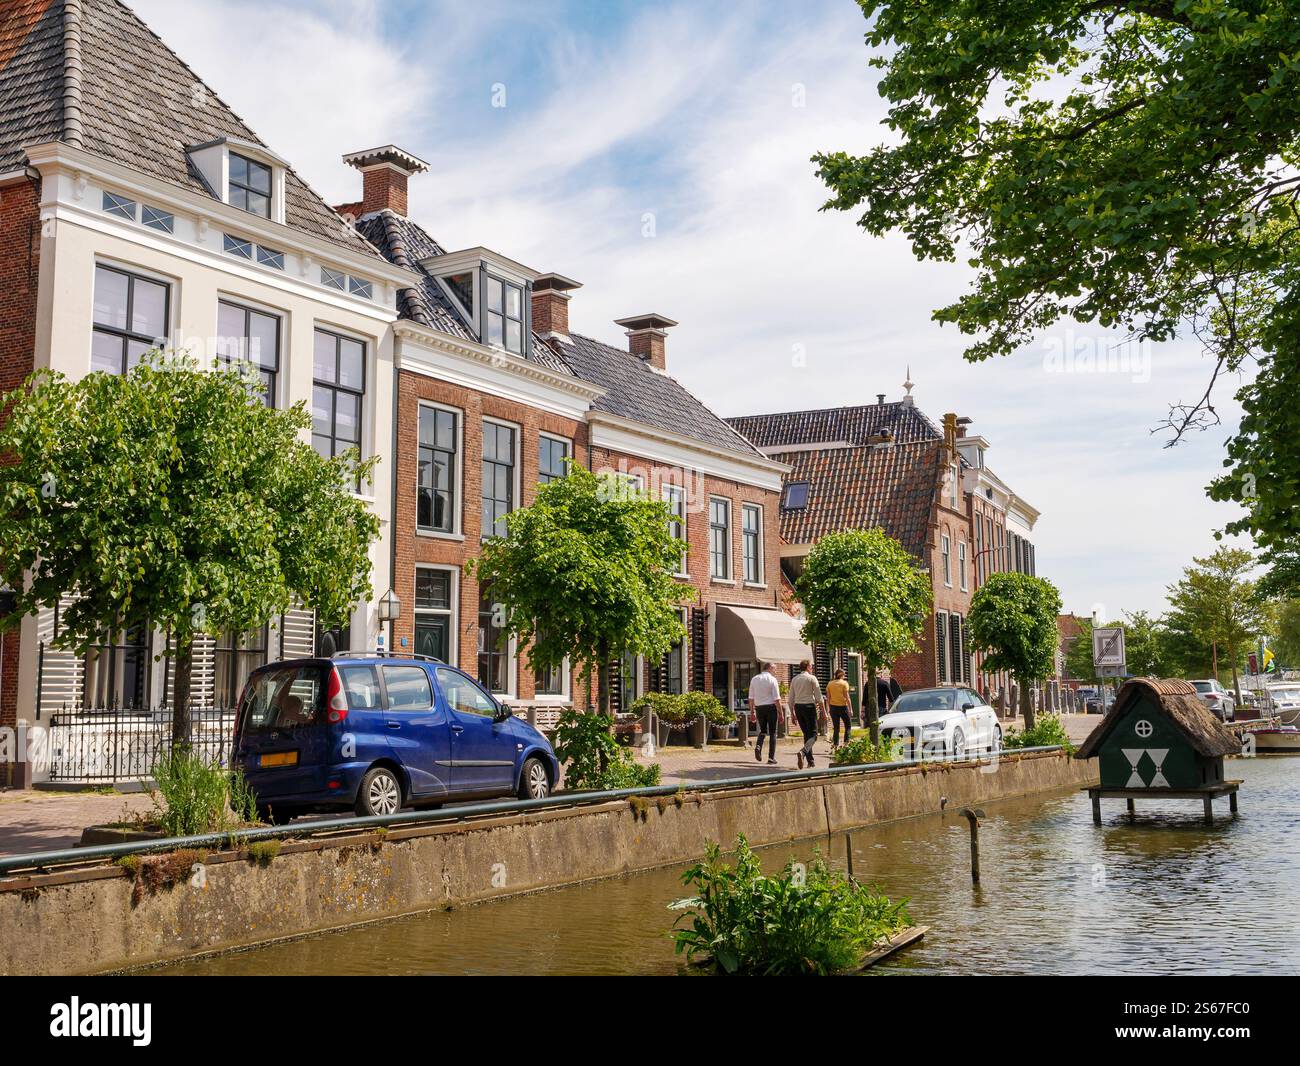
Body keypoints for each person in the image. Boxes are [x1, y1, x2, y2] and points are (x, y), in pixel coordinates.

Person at [788, 660, 825, 769]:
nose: (812, 668)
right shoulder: (812, 678)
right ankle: (803, 752)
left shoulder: (794, 679)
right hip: (809, 707)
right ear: (808, 667)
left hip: (798, 708)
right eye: (811, 666)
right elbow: (819, 697)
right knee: (814, 735)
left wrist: (793, 714)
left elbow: (790, 699)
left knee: (806, 734)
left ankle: (810, 762)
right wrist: (824, 712)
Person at [747, 662, 783, 765]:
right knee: (772, 732)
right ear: (770, 668)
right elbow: (777, 699)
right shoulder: (772, 680)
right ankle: (771, 758)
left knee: (763, 730)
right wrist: (780, 713)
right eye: (774, 669)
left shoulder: (754, 679)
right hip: (771, 708)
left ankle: (758, 746)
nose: (775, 671)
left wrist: (752, 712)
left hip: (759, 708)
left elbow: (751, 698)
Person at [826, 668, 853, 748]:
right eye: (844, 675)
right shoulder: (844, 683)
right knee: (848, 725)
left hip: (833, 707)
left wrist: (829, 708)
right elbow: (847, 697)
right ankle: (846, 743)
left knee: (836, 727)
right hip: (843, 707)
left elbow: (828, 697)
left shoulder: (830, 684)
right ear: (841, 675)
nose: (844, 676)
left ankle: (835, 745)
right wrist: (850, 709)